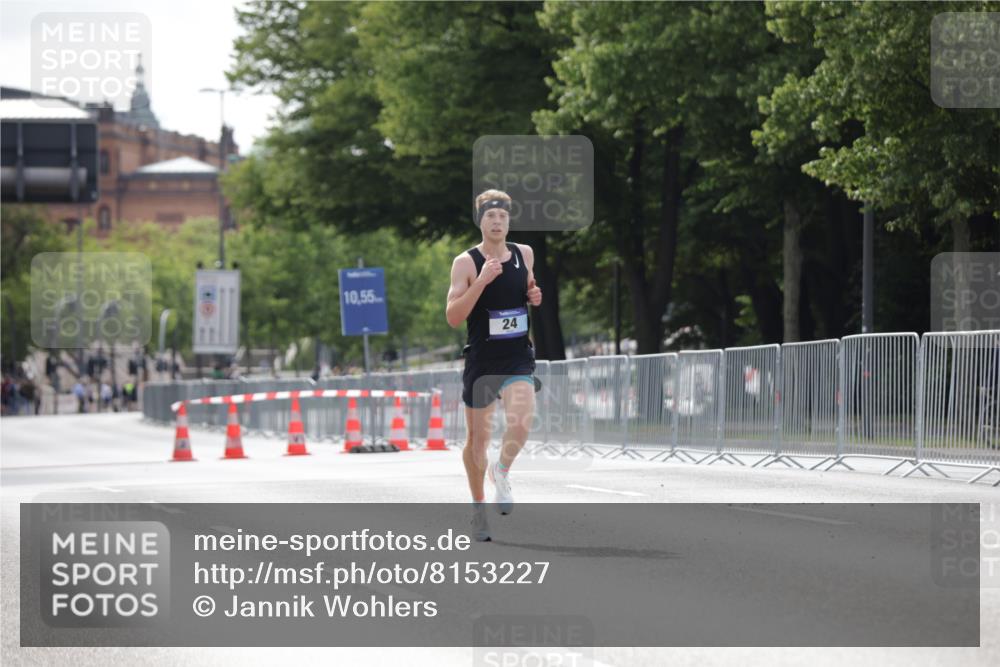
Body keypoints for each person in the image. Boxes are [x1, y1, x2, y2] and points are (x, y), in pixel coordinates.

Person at [446, 189, 543, 541]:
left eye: (503, 216)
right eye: (491, 216)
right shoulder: (466, 263)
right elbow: (453, 316)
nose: (498, 221)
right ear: (481, 220)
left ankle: (501, 471)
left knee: (522, 420)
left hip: (517, 355)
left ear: (509, 220)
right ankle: (477, 510)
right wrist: (483, 281)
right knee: (477, 441)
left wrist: (535, 294)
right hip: (483, 360)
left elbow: (529, 288)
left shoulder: (524, 254)